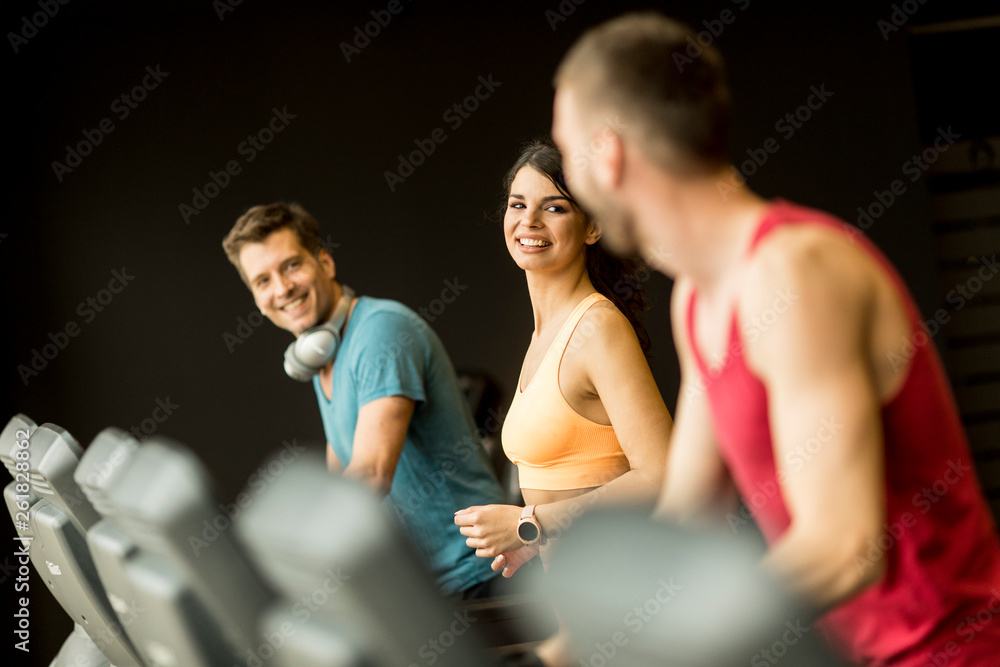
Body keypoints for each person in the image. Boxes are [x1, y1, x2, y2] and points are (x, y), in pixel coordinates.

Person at [550, 11, 1000, 666]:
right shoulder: (700, 298)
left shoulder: (793, 272)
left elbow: (843, 546)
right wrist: (559, 652)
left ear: (609, 152)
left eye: (568, 151)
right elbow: (687, 519)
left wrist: (667, 635)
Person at [222, 202, 507, 598]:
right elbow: (339, 480)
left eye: (291, 266)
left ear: (325, 262)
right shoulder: (322, 354)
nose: (282, 289)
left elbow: (369, 476)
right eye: (262, 281)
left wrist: (285, 547)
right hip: (418, 589)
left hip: (473, 580)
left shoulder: (380, 332)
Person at [454, 139, 673, 630]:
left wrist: (528, 524)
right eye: (518, 204)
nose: (529, 221)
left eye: (554, 207)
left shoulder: (596, 329)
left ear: (593, 225)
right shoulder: (545, 334)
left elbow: (662, 475)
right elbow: (579, 474)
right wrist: (535, 540)